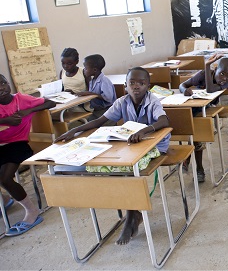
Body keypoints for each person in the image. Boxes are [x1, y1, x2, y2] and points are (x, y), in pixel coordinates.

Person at [55, 67, 170, 245]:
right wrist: (75, 131)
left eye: (141, 83)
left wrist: (144, 130)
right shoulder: (122, 101)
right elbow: (100, 121)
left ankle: (131, 216)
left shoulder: (152, 101)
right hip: (131, 146)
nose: (136, 86)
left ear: (148, 85)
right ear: (125, 86)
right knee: (114, 167)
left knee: (128, 169)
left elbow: (163, 121)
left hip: (156, 144)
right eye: (132, 83)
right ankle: (133, 213)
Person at [0, 74, 56, 236]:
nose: (2, 88)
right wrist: (7, 121)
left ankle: (32, 211)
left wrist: (28, 111)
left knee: (5, 178)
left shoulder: (20, 99)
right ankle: (5, 200)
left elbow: (50, 102)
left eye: (3, 83)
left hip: (18, 144)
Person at [179, 53, 228, 183]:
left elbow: (210, 90)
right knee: (191, 127)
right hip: (194, 106)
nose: (225, 78)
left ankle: (197, 167)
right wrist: (184, 91)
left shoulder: (227, 83)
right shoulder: (203, 74)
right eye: (222, 74)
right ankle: (193, 161)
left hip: (208, 108)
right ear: (215, 69)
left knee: (197, 130)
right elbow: (183, 84)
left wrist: (207, 64)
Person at [76, 54, 116, 121]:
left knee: (93, 125)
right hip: (97, 111)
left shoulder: (104, 80)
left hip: (108, 111)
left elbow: (108, 98)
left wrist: (91, 94)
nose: (84, 70)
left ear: (94, 70)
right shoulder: (92, 80)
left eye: (85, 68)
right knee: (89, 122)